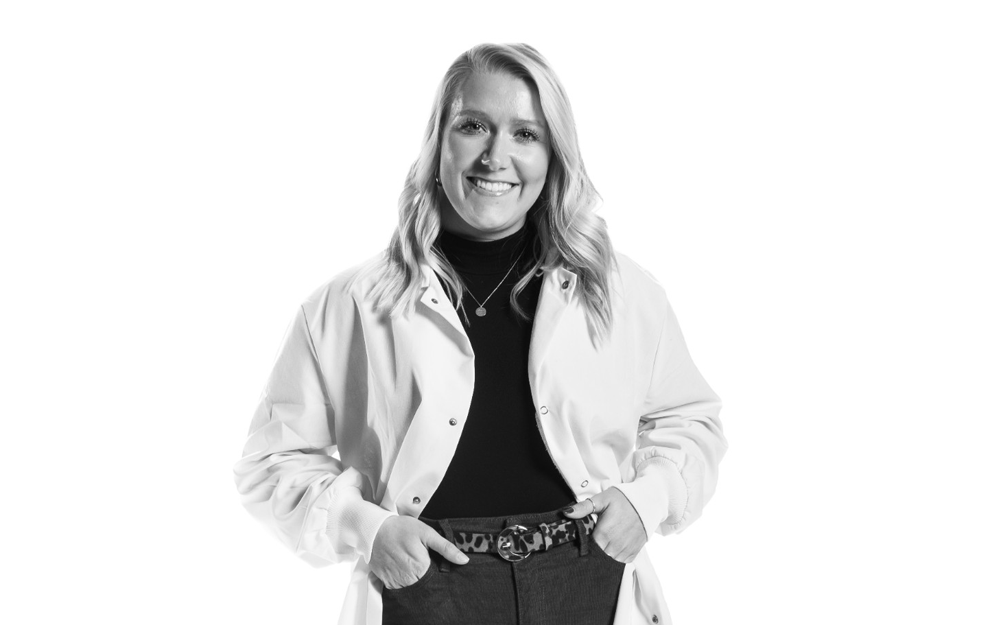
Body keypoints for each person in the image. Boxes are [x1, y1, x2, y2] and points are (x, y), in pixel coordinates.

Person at [234, 43, 727, 625]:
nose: (496, 157)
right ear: (438, 141)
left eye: (526, 134)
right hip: (424, 588)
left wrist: (648, 500)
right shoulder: (349, 306)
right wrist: (366, 529)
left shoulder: (620, 292)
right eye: (473, 127)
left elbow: (690, 420)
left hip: (588, 576)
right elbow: (271, 460)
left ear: (553, 155)